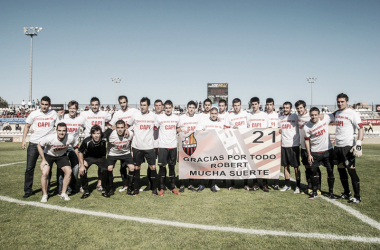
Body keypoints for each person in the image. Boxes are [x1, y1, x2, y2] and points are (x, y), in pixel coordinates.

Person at [22, 96, 58, 198]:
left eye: (46, 104)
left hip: (47, 145)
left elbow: (59, 126)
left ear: (49, 105)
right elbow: (27, 126)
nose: (44, 106)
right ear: (40, 104)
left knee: (48, 169)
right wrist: (24, 140)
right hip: (34, 144)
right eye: (42, 104)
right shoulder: (34, 114)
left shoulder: (53, 114)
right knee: (29, 168)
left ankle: (46, 190)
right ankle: (28, 190)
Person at [334, 93, 364, 203]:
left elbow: (361, 128)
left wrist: (359, 143)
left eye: (342, 101)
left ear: (347, 102)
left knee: (351, 170)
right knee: (340, 169)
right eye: (338, 101)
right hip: (338, 146)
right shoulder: (337, 113)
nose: (340, 103)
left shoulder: (353, 113)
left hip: (348, 146)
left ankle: (357, 196)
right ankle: (346, 192)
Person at [37, 122, 77, 202]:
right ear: (56, 130)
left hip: (61, 156)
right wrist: (43, 160)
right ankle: (45, 195)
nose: (62, 133)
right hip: (49, 155)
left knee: (69, 171)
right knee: (45, 173)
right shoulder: (50, 138)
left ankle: (63, 193)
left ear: (66, 131)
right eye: (60, 130)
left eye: (64, 131)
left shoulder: (70, 138)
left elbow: (76, 147)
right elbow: (39, 146)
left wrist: (80, 160)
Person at [127, 97, 158, 196]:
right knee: (137, 167)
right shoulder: (135, 115)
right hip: (137, 146)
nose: (142, 107)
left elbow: (158, 128)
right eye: (141, 105)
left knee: (152, 167)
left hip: (149, 146)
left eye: (144, 105)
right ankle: (136, 189)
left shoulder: (154, 116)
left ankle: (154, 189)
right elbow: (127, 126)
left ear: (149, 106)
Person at [80, 97, 111, 192]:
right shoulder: (84, 114)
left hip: (100, 143)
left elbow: (111, 121)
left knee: (102, 167)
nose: (94, 106)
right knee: (83, 166)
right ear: (90, 105)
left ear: (99, 105)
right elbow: (78, 122)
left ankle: (99, 184)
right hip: (88, 145)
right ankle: (83, 185)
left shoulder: (104, 113)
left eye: (96, 104)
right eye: (92, 105)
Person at [304, 107, 335, 200]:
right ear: (310, 115)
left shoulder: (325, 118)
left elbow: (336, 113)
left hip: (327, 151)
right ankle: (314, 192)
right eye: (312, 115)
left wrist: (348, 108)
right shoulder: (307, 126)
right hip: (315, 152)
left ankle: (331, 193)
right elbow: (307, 141)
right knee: (313, 172)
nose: (314, 117)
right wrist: (309, 154)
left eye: (315, 115)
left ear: (319, 114)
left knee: (330, 171)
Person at [109, 95, 138, 192]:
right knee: (122, 164)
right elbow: (111, 126)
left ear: (127, 102)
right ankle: (125, 184)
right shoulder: (117, 113)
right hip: (121, 140)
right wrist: (121, 129)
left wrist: (129, 131)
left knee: (133, 163)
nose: (123, 104)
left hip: (132, 138)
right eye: (121, 103)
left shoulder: (134, 111)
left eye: (124, 102)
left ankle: (133, 184)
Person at [56, 100, 84, 195]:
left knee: (75, 167)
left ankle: (71, 188)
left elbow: (87, 126)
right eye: (70, 108)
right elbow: (56, 126)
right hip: (63, 146)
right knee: (61, 168)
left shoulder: (80, 119)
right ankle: (60, 189)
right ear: (68, 109)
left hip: (74, 146)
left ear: (77, 109)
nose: (72, 110)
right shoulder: (63, 117)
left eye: (74, 108)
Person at [155, 100, 181, 196]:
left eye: (170, 108)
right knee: (162, 167)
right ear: (163, 108)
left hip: (173, 146)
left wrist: (182, 132)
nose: (168, 110)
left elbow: (178, 129)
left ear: (172, 108)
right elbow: (154, 129)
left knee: (172, 167)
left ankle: (173, 187)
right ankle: (162, 188)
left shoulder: (177, 118)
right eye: (166, 108)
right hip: (162, 146)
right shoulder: (159, 118)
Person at [196, 107, 225, 192]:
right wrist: (202, 132)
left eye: (215, 114)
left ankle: (212, 184)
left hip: (216, 148)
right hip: (205, 148)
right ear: (210, 114)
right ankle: (202, 184)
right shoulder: (204, 122)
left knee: (214, 167)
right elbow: (197, 132)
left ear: (218, 114)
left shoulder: (221, 123)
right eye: (212, 113)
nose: (214, 115)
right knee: (203, 166)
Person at [103, 120, 134, 197]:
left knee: (132, 168)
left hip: (125, 153)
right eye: (118, 128)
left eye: (122, 128)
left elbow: (132, 142)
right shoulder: (111, 134)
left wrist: (132, 151)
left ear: (125, 128)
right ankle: (110, 189)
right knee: (109, 168)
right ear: (115, 128)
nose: (120, 129)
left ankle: (129, 188)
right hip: (113, 153)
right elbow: (103, 137)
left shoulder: (130, 134)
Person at [78, 125, 109, 199]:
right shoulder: (86, 141)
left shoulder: (104, 138)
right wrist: (82, 164)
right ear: (91, 134)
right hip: (89, 157)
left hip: (101, 157)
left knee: (105, 170)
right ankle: (85, 189)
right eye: (94, 133)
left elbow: (112, 129)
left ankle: (104, 188)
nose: (96, 135)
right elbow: (80, 151)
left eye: (98, 133)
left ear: (101, 134)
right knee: (82, 170)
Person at [295, 100, 319, 196]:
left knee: (315, 168)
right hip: (303, 146)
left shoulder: (310, 116)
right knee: (307, 167)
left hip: (312, 146)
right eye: (297, 108)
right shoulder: (297, 117)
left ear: (305, 107)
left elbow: (321, 117)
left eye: (301, 108)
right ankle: (309, 187)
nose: (299, 110)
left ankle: (317, 188)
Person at [224, 98, 249, 190]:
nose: (236, 107)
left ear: (241, 105)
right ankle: (232, 184)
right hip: (233, 142)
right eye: (235, 105)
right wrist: (232, 128)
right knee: (233, 164)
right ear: (232, 106)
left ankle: (245, 184)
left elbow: (250, 127)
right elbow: (225, 129)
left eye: (238, 105)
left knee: (244, 163)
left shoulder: (246, 114)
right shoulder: (229, 115)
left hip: (244, 142)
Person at [247, 97, 269, 192]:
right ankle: (255, 184)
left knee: (264, 164)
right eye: (252, 104)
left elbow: (269, 130)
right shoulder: (249, 116)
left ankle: (265, 184)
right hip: (252, 145)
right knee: (253, 165)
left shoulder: (264, 115)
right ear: (250, 105)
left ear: (259, 104)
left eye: (256, 104)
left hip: (263, 144)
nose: (254, 106)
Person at [279, 101, 301, 193]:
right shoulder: (280, 118)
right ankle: (287, 184)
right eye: (284, 107)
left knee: (296, 167)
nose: (285, 109)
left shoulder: (295, 117)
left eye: (287, 108)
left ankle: (298, 186)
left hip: (294, 145)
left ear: (290, 109)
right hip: (284, 145)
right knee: (285, 166)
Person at [177, 100, 199, 192]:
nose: (191, 109)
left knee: (192, 164)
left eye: (193, 108)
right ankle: (182, 184)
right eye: (190, 107)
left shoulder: (198, 118)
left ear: (195, 109)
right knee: (183, 164)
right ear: (187, 108)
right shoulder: (181, 118)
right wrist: (181, 132)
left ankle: (190, 184)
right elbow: (177, 128)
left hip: (194, 144)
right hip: (183, 144)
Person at [265, 98, 280, 190]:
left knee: (275, 163)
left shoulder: (278, 116)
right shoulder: (263, 115)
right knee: (265, 163)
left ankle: (276, 183)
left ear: (273, 106)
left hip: (275, 142)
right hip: (265, 142)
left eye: (270, 104)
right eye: (267, 104)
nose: (269, 106)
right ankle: (265, 183)